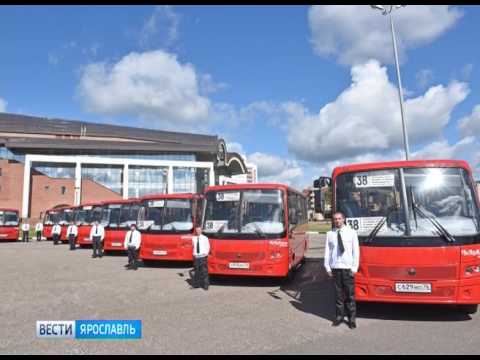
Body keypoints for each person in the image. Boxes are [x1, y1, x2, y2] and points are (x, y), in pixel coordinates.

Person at [324, 211, 360, 329]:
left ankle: (351, 319)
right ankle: (339, 317)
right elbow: (327, 252)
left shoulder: (351, 232)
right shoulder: (330, 234)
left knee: (350, 296)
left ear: (343, 219)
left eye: (339, 219)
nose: (337, 221)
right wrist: (327, 267)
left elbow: (356, 251)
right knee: (338, 296)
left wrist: (354, 268)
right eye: (335, 219)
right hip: (335, 268)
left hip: (347, 268)